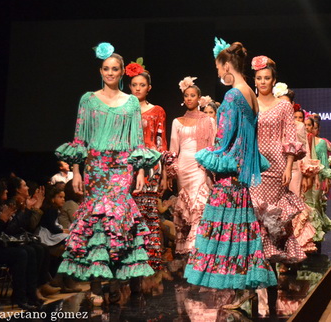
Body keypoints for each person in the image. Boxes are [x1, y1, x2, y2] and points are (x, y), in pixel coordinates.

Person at [54, 43, 161, 305]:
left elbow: (138, 141)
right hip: (96, 167)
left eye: (115, 69)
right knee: (95, 220)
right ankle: (95, 284)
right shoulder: (88, 100)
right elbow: (79, 140)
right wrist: (76, 172)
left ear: (123, 72)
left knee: (118, 221)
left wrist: (138, 171)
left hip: (122, 167)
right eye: (106, 69)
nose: (110, 73)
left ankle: (116, 281)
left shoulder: (131, 102)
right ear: (100, 70)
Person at [184, 39, 277, 307]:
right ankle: (240, 289)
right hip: (240, 175)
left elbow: (224, 139)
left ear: (227, 65)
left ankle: (235, 288)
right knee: (240, 231)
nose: (217, 73)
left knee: (225, 230)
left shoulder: (233, 95)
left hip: (228, 173)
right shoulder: (251, 95)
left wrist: (210, 159)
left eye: (217, 67)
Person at [250, 56, 315, 264]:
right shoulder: (250, 105)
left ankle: (272, 260)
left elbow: (289, 137)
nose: (262, 82)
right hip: (255, 164)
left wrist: (288, 166)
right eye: (259, 78)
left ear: (273, 80)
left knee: (274, 214)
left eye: (266, 78)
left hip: (277, 165)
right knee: (255, 210)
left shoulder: (284, 106)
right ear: (254, 80)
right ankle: (257, 260)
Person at [126, 58, 168, 272]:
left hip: (151, 163)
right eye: (134, 85)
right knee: (129, 209)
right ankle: (130, 256)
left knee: (148, 210)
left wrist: (165, 172)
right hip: (128, 164)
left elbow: (161, 142)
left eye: (142, 85)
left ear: (149, 88)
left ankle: (149, 257)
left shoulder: (157, 110)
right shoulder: (124, 109)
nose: (138, 89)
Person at [168, 76, 215, 254]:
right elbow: (173, 150)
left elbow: (213, 145)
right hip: (183, 168)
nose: (189, 98)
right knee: (186, 206)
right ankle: (186, 248)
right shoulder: (177, 122)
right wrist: (171, 170)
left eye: (192, 95)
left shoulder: (208, 121)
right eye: (186, 95)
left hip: (200, 167)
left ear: (199, 98)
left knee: (199, 205)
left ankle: (197, 246)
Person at [0, 178, 41, 310]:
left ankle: (31, 295)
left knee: (31, 250)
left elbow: (10, 229)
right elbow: (0, 229)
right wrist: (3, 221)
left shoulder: (0, 207)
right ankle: (20, 297)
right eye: (3, 189)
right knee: (21, 253)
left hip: (0, 246)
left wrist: (27, 210)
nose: (7, 190)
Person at [304, 116, 331, 242]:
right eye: (305, 124)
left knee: (315, 205)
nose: (307, 128)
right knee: (306, 205)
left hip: (317, 175)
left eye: (310, 126)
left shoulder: (320, 142)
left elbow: (320, 160)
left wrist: (325, 178)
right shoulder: (301, 139)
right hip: (302, 176)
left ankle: (316, 235)